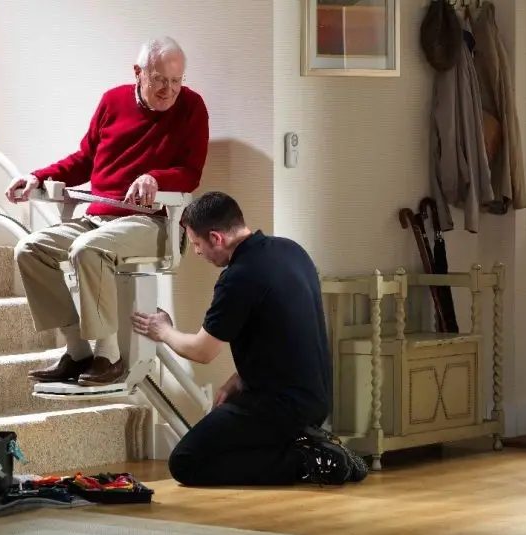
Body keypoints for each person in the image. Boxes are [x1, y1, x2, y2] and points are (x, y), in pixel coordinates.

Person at [7, 36, 209, 386]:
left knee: (89, 249)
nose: (169, 90)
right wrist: (37, 176)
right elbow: (85, 159)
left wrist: (155, 178)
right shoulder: (112, 101)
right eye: (160, 79)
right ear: (138, 73)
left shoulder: (192, 107)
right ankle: (77, 351)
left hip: (154, 223)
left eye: (177, 81)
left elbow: (191, 173)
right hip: (98, 218)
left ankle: (109, 354)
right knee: (30, 249)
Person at [130, 191, 368, 487]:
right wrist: (241, 375)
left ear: (216, 238)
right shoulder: (291, 251)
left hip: (280, 405)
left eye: (196, 243)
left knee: (186, 462)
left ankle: (310, 461)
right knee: (228, 434)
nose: (197, 252)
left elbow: (202, 351)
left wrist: (162, 330)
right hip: (315, 399)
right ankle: (313, 447)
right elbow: (285, 331)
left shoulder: (239, 277)